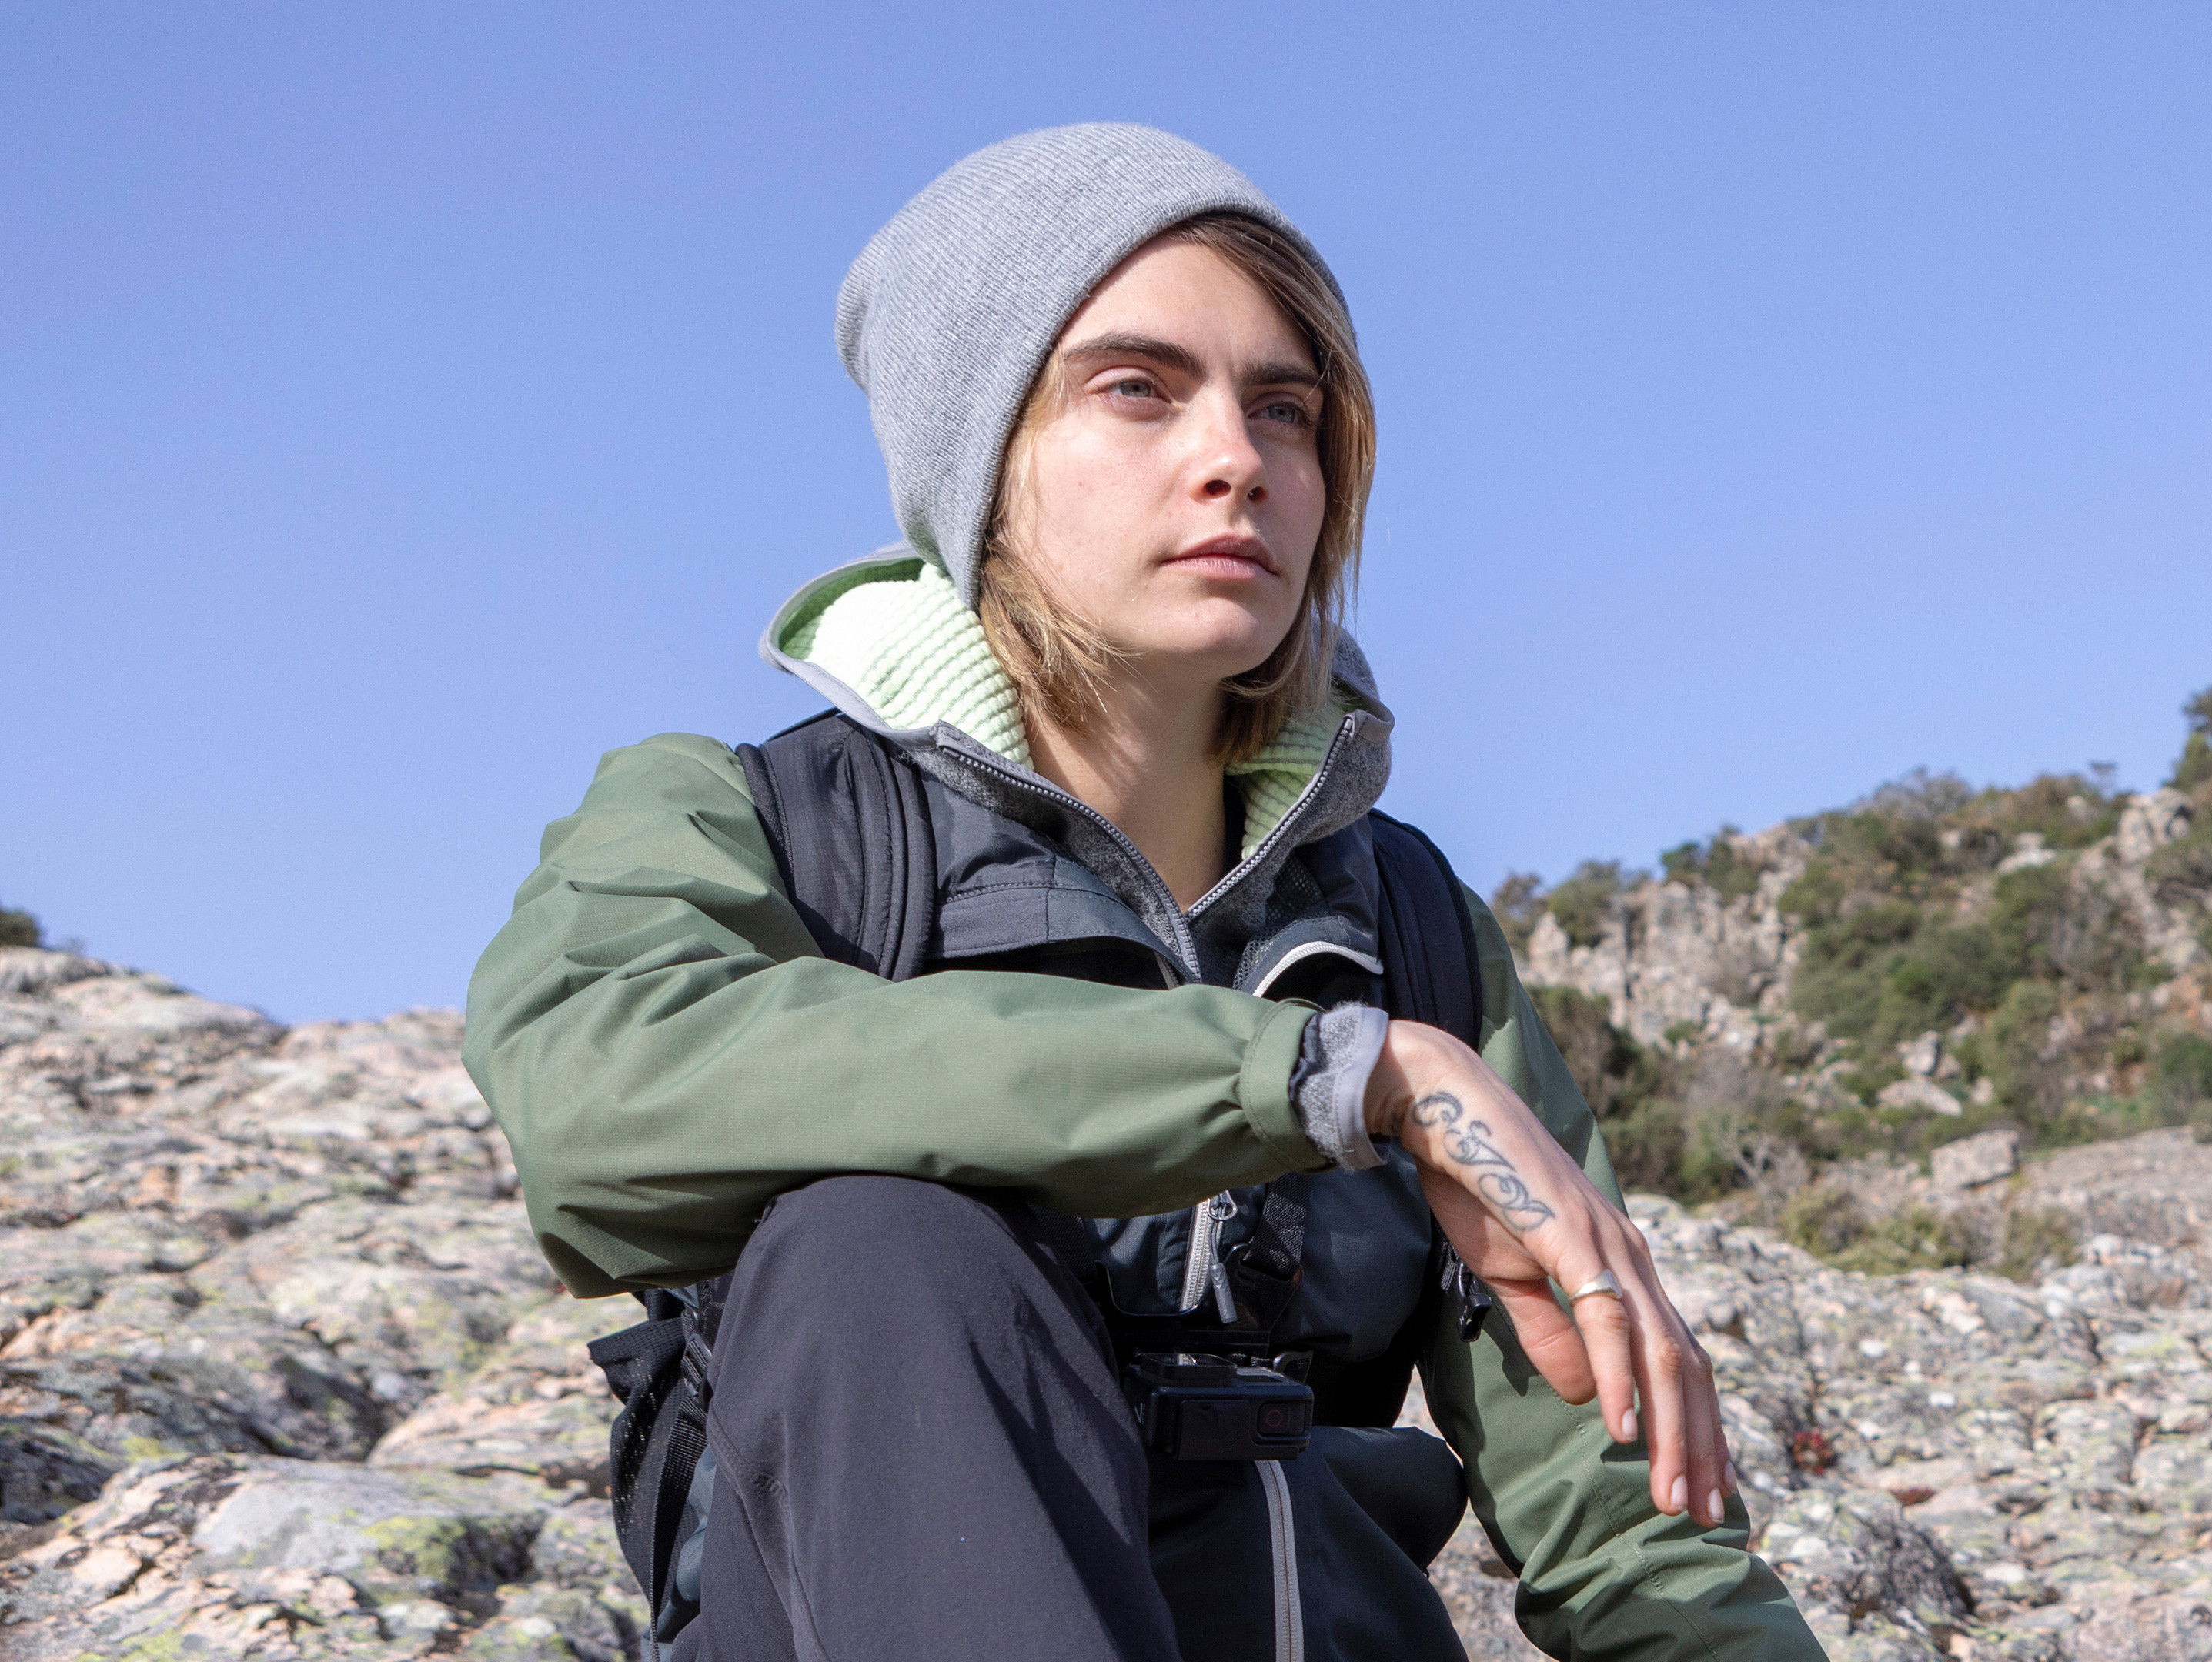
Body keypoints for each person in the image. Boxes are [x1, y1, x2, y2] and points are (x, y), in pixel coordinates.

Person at [465, 124, 1821, 1661]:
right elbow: (594, 1112)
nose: (1237, 455)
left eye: (1289, 409)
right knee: (881, 1241)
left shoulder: (1406, 925)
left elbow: (1636, 1532)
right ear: (976, 453)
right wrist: (1327, 1076)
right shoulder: (755, 824)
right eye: (1136, 388)